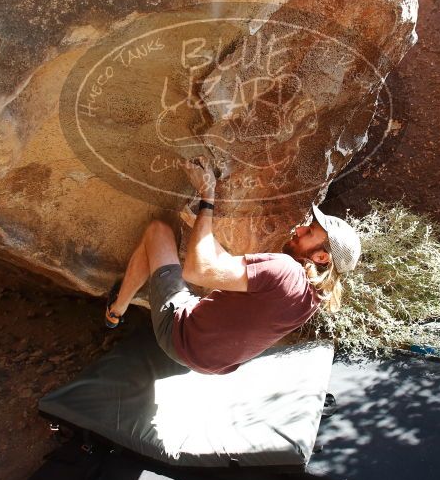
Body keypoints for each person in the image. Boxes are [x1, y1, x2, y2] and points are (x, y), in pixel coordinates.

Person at [103, 158, 361, 374]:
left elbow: (196, 270)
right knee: (179, 255)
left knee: (158, 232)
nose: (300, 228)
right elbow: (224, 265)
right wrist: (202, 229)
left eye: (310, 232)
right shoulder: (312, 298)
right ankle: (119, 310)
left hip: (179, 336)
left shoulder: (286, 270)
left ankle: (116, 310)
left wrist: (207, 196)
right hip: (210, 365)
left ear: (321, 257)